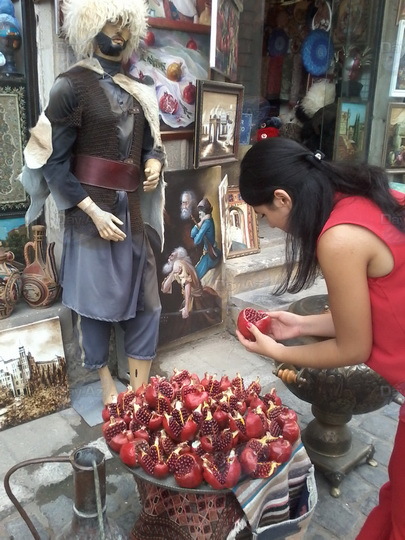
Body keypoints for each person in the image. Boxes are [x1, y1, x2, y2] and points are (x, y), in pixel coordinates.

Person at [236, 137, 405, 540]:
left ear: (283, 198)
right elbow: (373, 311)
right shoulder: (360, 196)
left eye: (263, 214)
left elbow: (353, 348)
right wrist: (300, 326)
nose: (268, 225)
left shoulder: (338, 238)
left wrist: (279, 353)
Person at [20, 0, 166, 404]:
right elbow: (53, 163)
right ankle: (106, 386)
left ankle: (139, 392)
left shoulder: (141, 89)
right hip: (91, 215)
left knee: (147, 304)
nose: (117, 32)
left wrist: (153, 162)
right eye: (109, 21)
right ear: (89, 24)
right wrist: (91, 211)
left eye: (124, 24)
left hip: (132, 213)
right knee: (96, 308)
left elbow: (151, 145)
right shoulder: (70, 86)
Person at [190, 197, 221, 280]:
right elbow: (192, 234)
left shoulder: (207, 223)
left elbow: (196, 241)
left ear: (205, 212)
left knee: (195, 276)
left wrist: (202, 222)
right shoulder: (205, 221)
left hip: (211, 257)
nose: (199, 213)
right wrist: (202, 220)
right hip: (208, 255)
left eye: (201, 211)